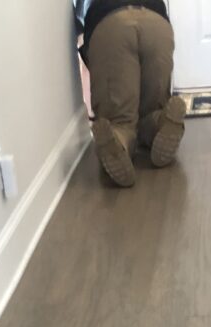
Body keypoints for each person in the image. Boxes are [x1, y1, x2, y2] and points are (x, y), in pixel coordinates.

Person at [74, 0, 186, 187]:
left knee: (120, 120)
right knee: (152, 109)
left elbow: (82, 42)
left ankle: (118, 140)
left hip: (111, 26)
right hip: (158, 26)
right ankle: (162, 122)